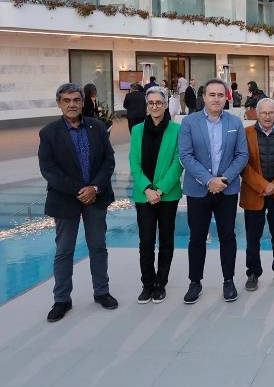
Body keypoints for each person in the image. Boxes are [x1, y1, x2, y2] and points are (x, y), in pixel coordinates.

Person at [39, 83, 117, 322]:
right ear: (59, 103)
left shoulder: (97, 127)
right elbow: (48, 170)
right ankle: (62, 299)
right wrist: (79, 190)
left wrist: (94, 188)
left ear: (83, 102)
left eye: (76, 100)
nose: (72, 104)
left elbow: (108, 161)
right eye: (66, 100)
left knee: (98, 247)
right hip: (65, 200)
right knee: (64, 251)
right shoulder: (49, 133)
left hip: (96, 197)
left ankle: (101, 291)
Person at [178, 79, 248, 304]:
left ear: (226, 97)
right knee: (197, 238)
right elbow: (186, 156)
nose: (216, 99)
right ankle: (195, 282)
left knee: (228, 237)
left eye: (220, 95)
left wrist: (224, 179)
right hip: (199, 190)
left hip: (226, 190)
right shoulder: (189, 122)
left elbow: (242, 155)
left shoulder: (235, 122)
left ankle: (228, 281)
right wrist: (209, 180)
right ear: (204, 97)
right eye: (212, 94)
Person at [129, 86, 183, 304]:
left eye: (159, 103)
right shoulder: (137, 130)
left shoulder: (176, 130)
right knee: (146, 241)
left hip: (167, 195)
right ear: (147, 105)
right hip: (144, 195)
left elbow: (178, 163)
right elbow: (134, 162)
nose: (155, 106)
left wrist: (160, 189)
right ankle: (147, 284)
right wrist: (147, 189)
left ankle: (161, 283)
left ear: (165, 104)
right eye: (151, 103)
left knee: (166, 240)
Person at [240, 98, 274, 291]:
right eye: (264, 113)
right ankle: (253, 272)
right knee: (253, 236)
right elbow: (242, 165)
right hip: (255, 194)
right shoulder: (245, 134)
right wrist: (263, 185)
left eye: (271, 113)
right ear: (257, 113)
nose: (268, 116)